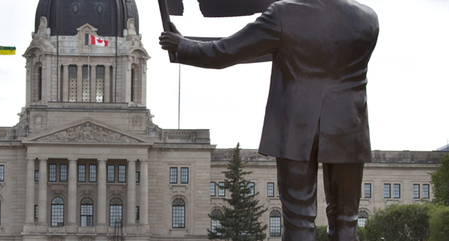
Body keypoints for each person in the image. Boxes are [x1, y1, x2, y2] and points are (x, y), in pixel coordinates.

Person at [159, 0, 379, 240]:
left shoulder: (284, 14)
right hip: (349, 127)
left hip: (296, 126)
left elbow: (225, 51)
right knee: (347, 219)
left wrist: (183, 46)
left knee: (299, 219)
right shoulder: (368, 18)